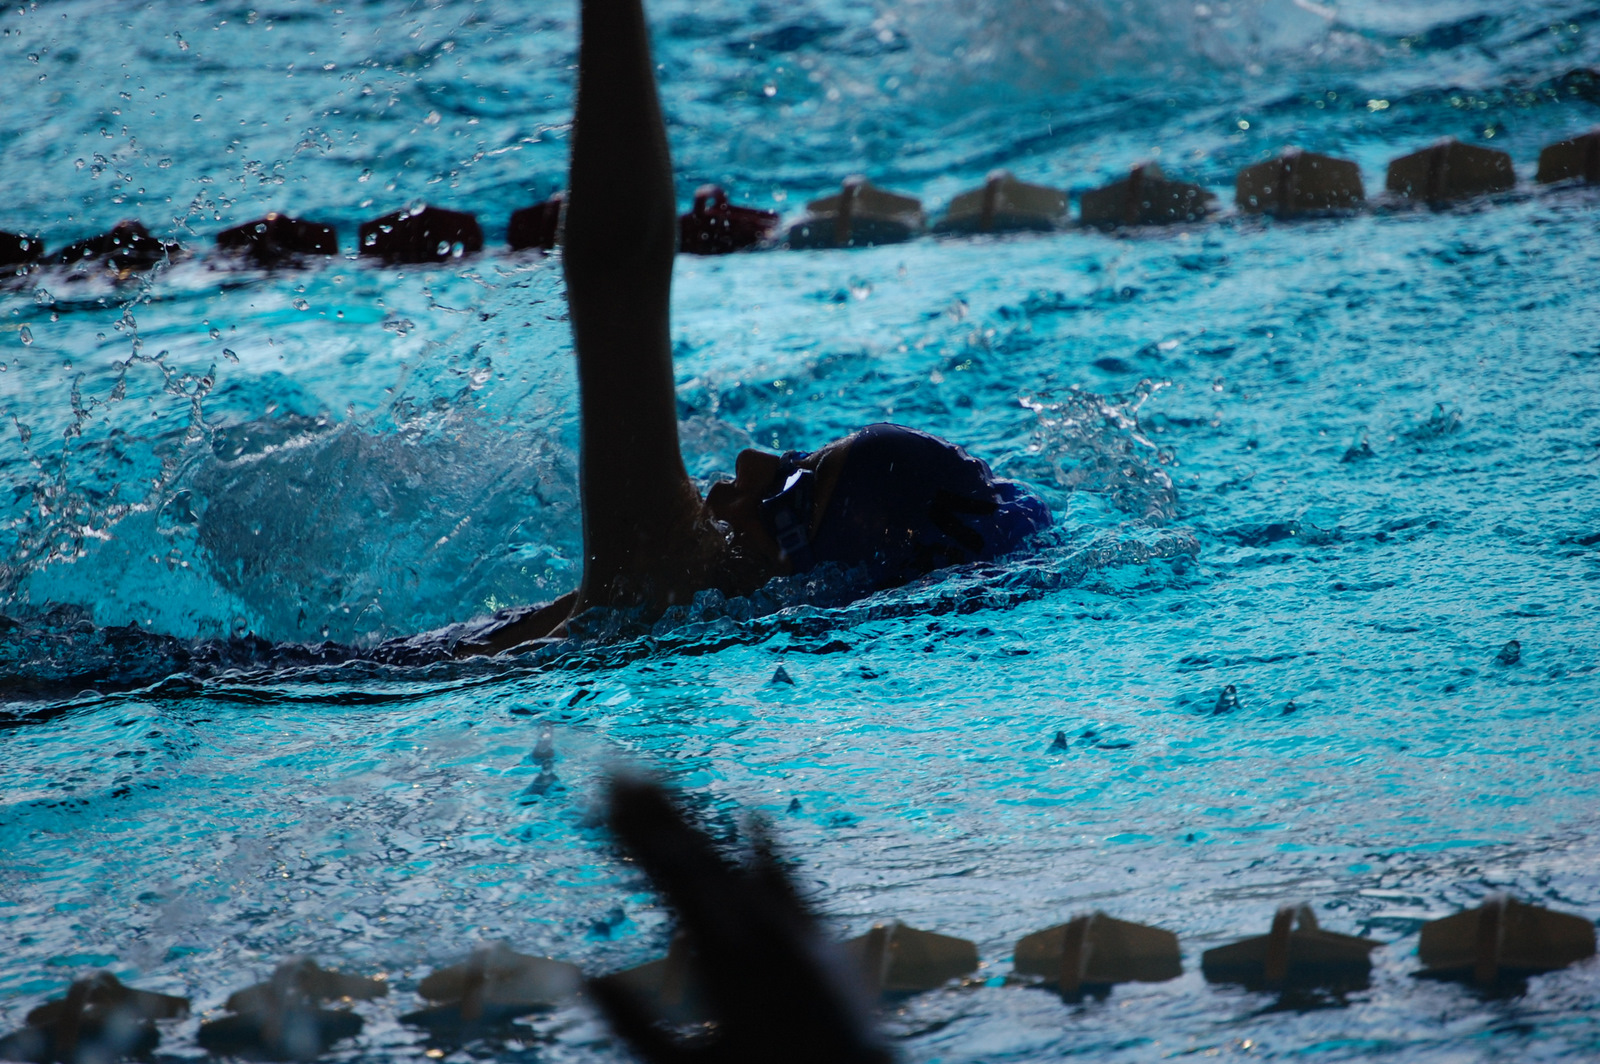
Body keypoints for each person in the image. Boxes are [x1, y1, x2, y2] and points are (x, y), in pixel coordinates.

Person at [454, 0, 1049, 657]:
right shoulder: (684, 605)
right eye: (796, 459)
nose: (754, 462)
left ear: (819, 571)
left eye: (795, 489)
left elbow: (619, 269)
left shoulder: (662, 578)